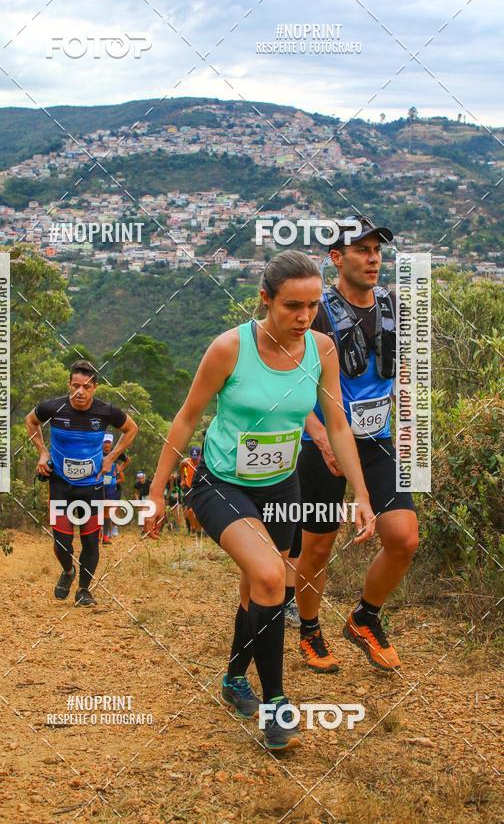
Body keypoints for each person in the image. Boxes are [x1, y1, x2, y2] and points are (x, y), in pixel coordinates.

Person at [144, 250, 375, 750]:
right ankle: (276, 706)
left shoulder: (321, 350)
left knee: (259, 589)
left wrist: (361, 493)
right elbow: (186, 418)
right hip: (221, 483)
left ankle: (233, 679)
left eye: (313, 306)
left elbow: (337, 424)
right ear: (265, 299)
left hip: (281, 486)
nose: (304, 316)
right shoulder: (230, 348)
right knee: (272, 576)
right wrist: (158, 492)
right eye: (292, 305)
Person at [290, 217, 418, 674]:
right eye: (362, 250)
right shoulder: (318, 312)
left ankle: (365, 618)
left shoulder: (394, 304)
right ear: (336, 258)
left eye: (377, 250)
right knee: (317, 547)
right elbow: (289, 382)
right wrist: (319, 432)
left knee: (403, 537)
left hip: (376, 441)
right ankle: (309, 630)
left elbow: (402, 371)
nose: (373, 258)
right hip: (322, 445)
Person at [25, 360, 138, 606]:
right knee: (61, 541)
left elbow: (131, 428)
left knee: (90, 540)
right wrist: (42, 452)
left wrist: (111, 458)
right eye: (76, 386)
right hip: (61, 484)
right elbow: (30, 421)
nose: (80, 391)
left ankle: (84, 590)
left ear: (95, 387)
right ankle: (68, 571)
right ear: (69, 385)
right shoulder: (53, 407)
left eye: (86, 387)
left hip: (92, 486)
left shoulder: (105, 411)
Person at [101, 435, 128, 542]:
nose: (107, 444)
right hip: (98, 483)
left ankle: (105, 536)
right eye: (105, 442)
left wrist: (119, 470)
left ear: (111, 443)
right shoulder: (97, 452)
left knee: (107, 509)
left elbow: (127, 460)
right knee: (96, 508)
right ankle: (97, 533)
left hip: (110, 485)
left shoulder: (116, 452)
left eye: (108, 442)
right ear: (102, 443)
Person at [179, 446, 201, 534]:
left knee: (198, 510)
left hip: (200, 488)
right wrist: (182, 479)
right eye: (193, 458)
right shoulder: (186, 462)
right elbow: (181, 466)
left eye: (196, 458)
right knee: (190, 510)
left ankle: (199, 530)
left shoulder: (203, 463)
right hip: (189, 487)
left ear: (200, 456)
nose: (194, 460)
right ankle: (193, 527)